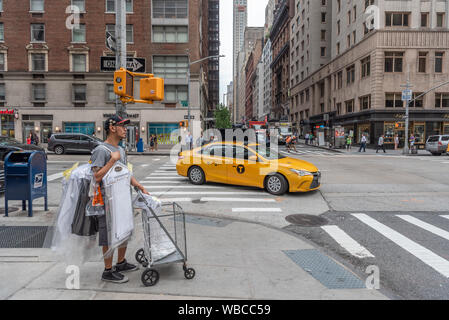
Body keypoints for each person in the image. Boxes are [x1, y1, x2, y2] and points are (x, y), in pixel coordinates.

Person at [90, 115, 150, 284]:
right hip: (107, 200)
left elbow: (125, 172)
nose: (125, 129)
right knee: (108, 234)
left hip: (122, 197)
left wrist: (139, 186)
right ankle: (108, 271)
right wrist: (112, 161)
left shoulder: (121, 150)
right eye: (122, 126)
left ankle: (121, 263)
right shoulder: (101, 150)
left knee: (124, 230)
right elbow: (96, 176)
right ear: (112, 127)